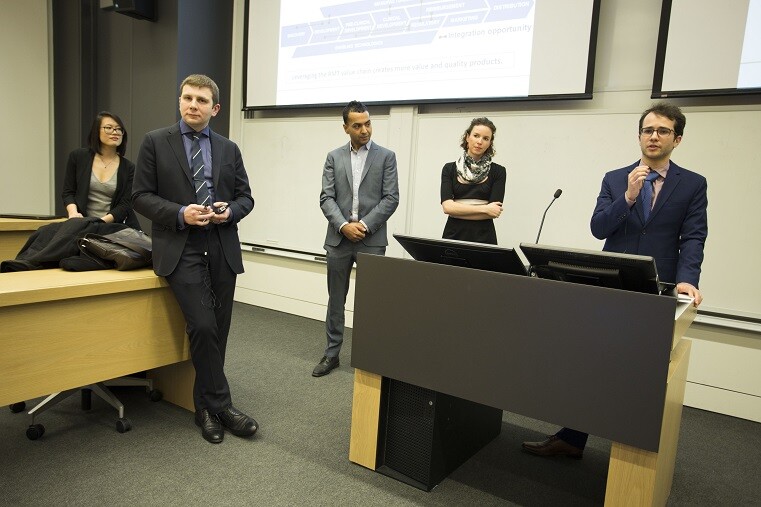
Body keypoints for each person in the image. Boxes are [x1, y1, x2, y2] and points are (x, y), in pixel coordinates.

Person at [522, 101, 708, 458]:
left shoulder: (693, 184)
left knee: (643, 371)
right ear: (639, 136)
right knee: (594, 362)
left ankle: (636, 455)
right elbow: (598, 228)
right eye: (648, 130)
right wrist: (628, 197)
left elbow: (694, 236)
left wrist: (687, 280)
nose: (654, 136)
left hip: (658, 287)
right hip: (611, 286)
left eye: (663, 131)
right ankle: (573, 438)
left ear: (677, 138)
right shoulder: (615, 178)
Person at [132, 74, 257, 444]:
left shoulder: (228, 148)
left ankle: (204, 408)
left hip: (220, 244)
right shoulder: (156, 142)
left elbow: (246, 198)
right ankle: (223, 406)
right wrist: (179, 213)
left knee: (219, 329)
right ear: (180, 101)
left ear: (214, 108)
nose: (192, 105)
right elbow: (140, 196)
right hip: (180, 247)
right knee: (202, 326)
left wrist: (228, 211)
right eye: (187, 98)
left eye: (202, 100)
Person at [314, 100, 400, 377]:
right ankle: (331, 354)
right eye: (357, 125)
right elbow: (326, 198)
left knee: (372, 302)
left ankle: (370, 358)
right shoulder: (333, 157)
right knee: (335, 299)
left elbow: (391, 198)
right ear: (346, 128)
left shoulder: (386, 156)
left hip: (371, 240)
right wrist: (343, 226)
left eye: (368, 123)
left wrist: (362, 225)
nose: (364, 130)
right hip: (339, 240)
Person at [62, 111, 141, 229]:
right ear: (96, 131)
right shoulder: (78, 157)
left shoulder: (129, 168)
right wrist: (73, 214)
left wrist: (99, 222)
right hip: (80, 223)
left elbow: (125, 205)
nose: (115, 132)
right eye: (109, 128)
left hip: (112, 226)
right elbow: (68, 192)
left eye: (119, 129)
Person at [440, 117, 505, 244]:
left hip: (484, 237)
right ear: (467, 137)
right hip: (454, 235)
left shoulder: (499, 171)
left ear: (490, 143)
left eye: (485, 138)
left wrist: (458, 209)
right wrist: (485, 208)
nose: (479, 141)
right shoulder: (449, 169)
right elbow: (447, 207)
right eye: (476, 135)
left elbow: (494, 212)